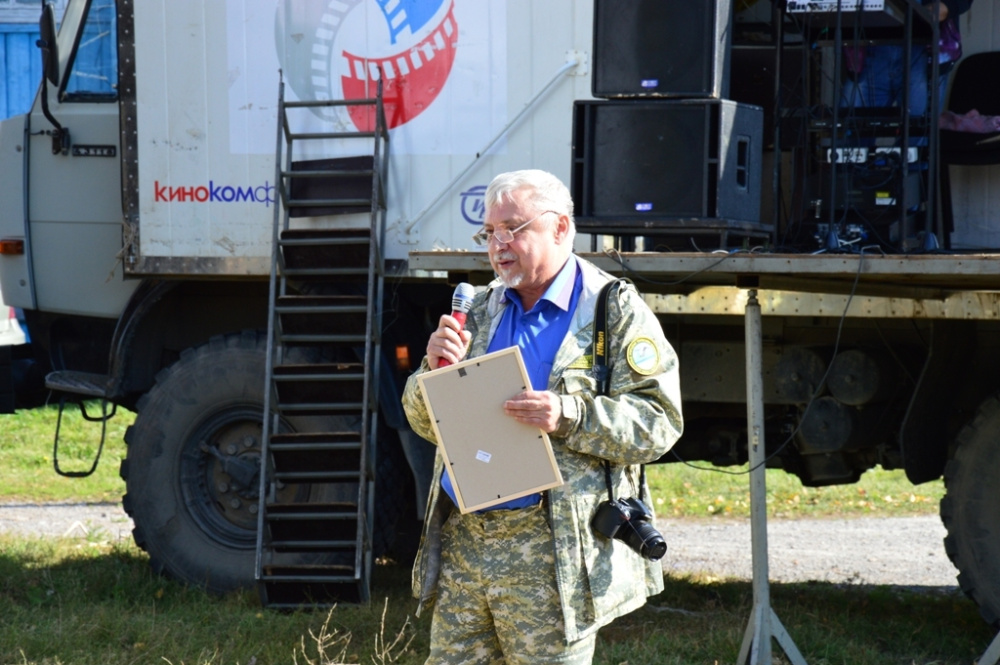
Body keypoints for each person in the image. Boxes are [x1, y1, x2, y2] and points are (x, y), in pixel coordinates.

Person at [401, 169, 684, 664]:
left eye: (513, 228)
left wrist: (569, 414)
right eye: (490, 232)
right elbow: (425, 424)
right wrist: (432, 373)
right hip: (467, 547)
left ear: (560, 227)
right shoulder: (480, 309)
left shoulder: (610, 310)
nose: (499, 245)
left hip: (552, 558)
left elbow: (658, 422)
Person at [840, 0, 974, 117]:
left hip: (926, 47)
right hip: (869, 43)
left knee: (918, 132)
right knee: (854, 130)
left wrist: (948, 5)